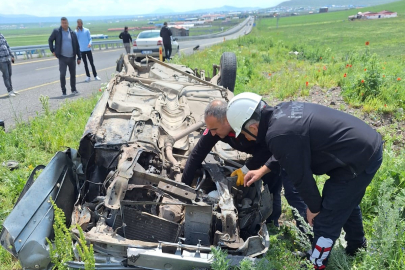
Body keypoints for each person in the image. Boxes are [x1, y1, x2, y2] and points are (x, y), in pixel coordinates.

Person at [226, 92, 383, 269]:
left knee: (326, 218)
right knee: (345, 202)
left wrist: (314, 208)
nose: (246, 138)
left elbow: (301, 177)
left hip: (359, 158)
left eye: (244, 133)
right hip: (362, 146)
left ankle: (316, 263)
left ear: (253, 127)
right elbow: (290, 149)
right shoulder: (281, 113)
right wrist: (263, 170)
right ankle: (357, 247)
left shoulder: (277, 134)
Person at [182, 100, 307, 226]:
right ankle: (270, 222)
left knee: (286, 191)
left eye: (214, 129)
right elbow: (197, 155)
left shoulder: (249, 123)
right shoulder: (217, 128)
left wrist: (247, 168)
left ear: (227, 120)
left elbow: (267, 150)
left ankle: (296, 228)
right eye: (210, 129)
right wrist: (184, 188)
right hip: (260, 152)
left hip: (281, 150)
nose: (212, 133)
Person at [48, 17, 81, 96]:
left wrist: (79, 57)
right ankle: (64, 91)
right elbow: (50, 40)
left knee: (73, 74)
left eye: (65, 23)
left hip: (72, 57)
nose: (64, 24)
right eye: (63, 23)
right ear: (61, 23)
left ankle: (73, 89)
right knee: (63, 74)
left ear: (68, 23)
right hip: (62, 57)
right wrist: (53, 51)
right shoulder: (57, 31)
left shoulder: (72, 33)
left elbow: (77, 45)